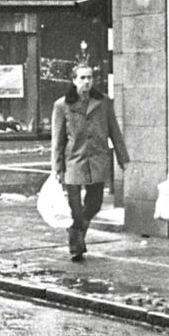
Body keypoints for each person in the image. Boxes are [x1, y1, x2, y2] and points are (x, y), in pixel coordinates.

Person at [49, 61, 130, 263]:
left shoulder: (103, 102)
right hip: (73, 161)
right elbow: (57, 140)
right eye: (82, 78)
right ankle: (76, 244)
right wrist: (57, 167)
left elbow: (115, 131)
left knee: (94, 204)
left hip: (98, 159)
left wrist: (123, 158)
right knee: (75, 206)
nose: (86, 81)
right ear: (74, 80)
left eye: (90, 77)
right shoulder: (62, 105)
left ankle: (76, 231)